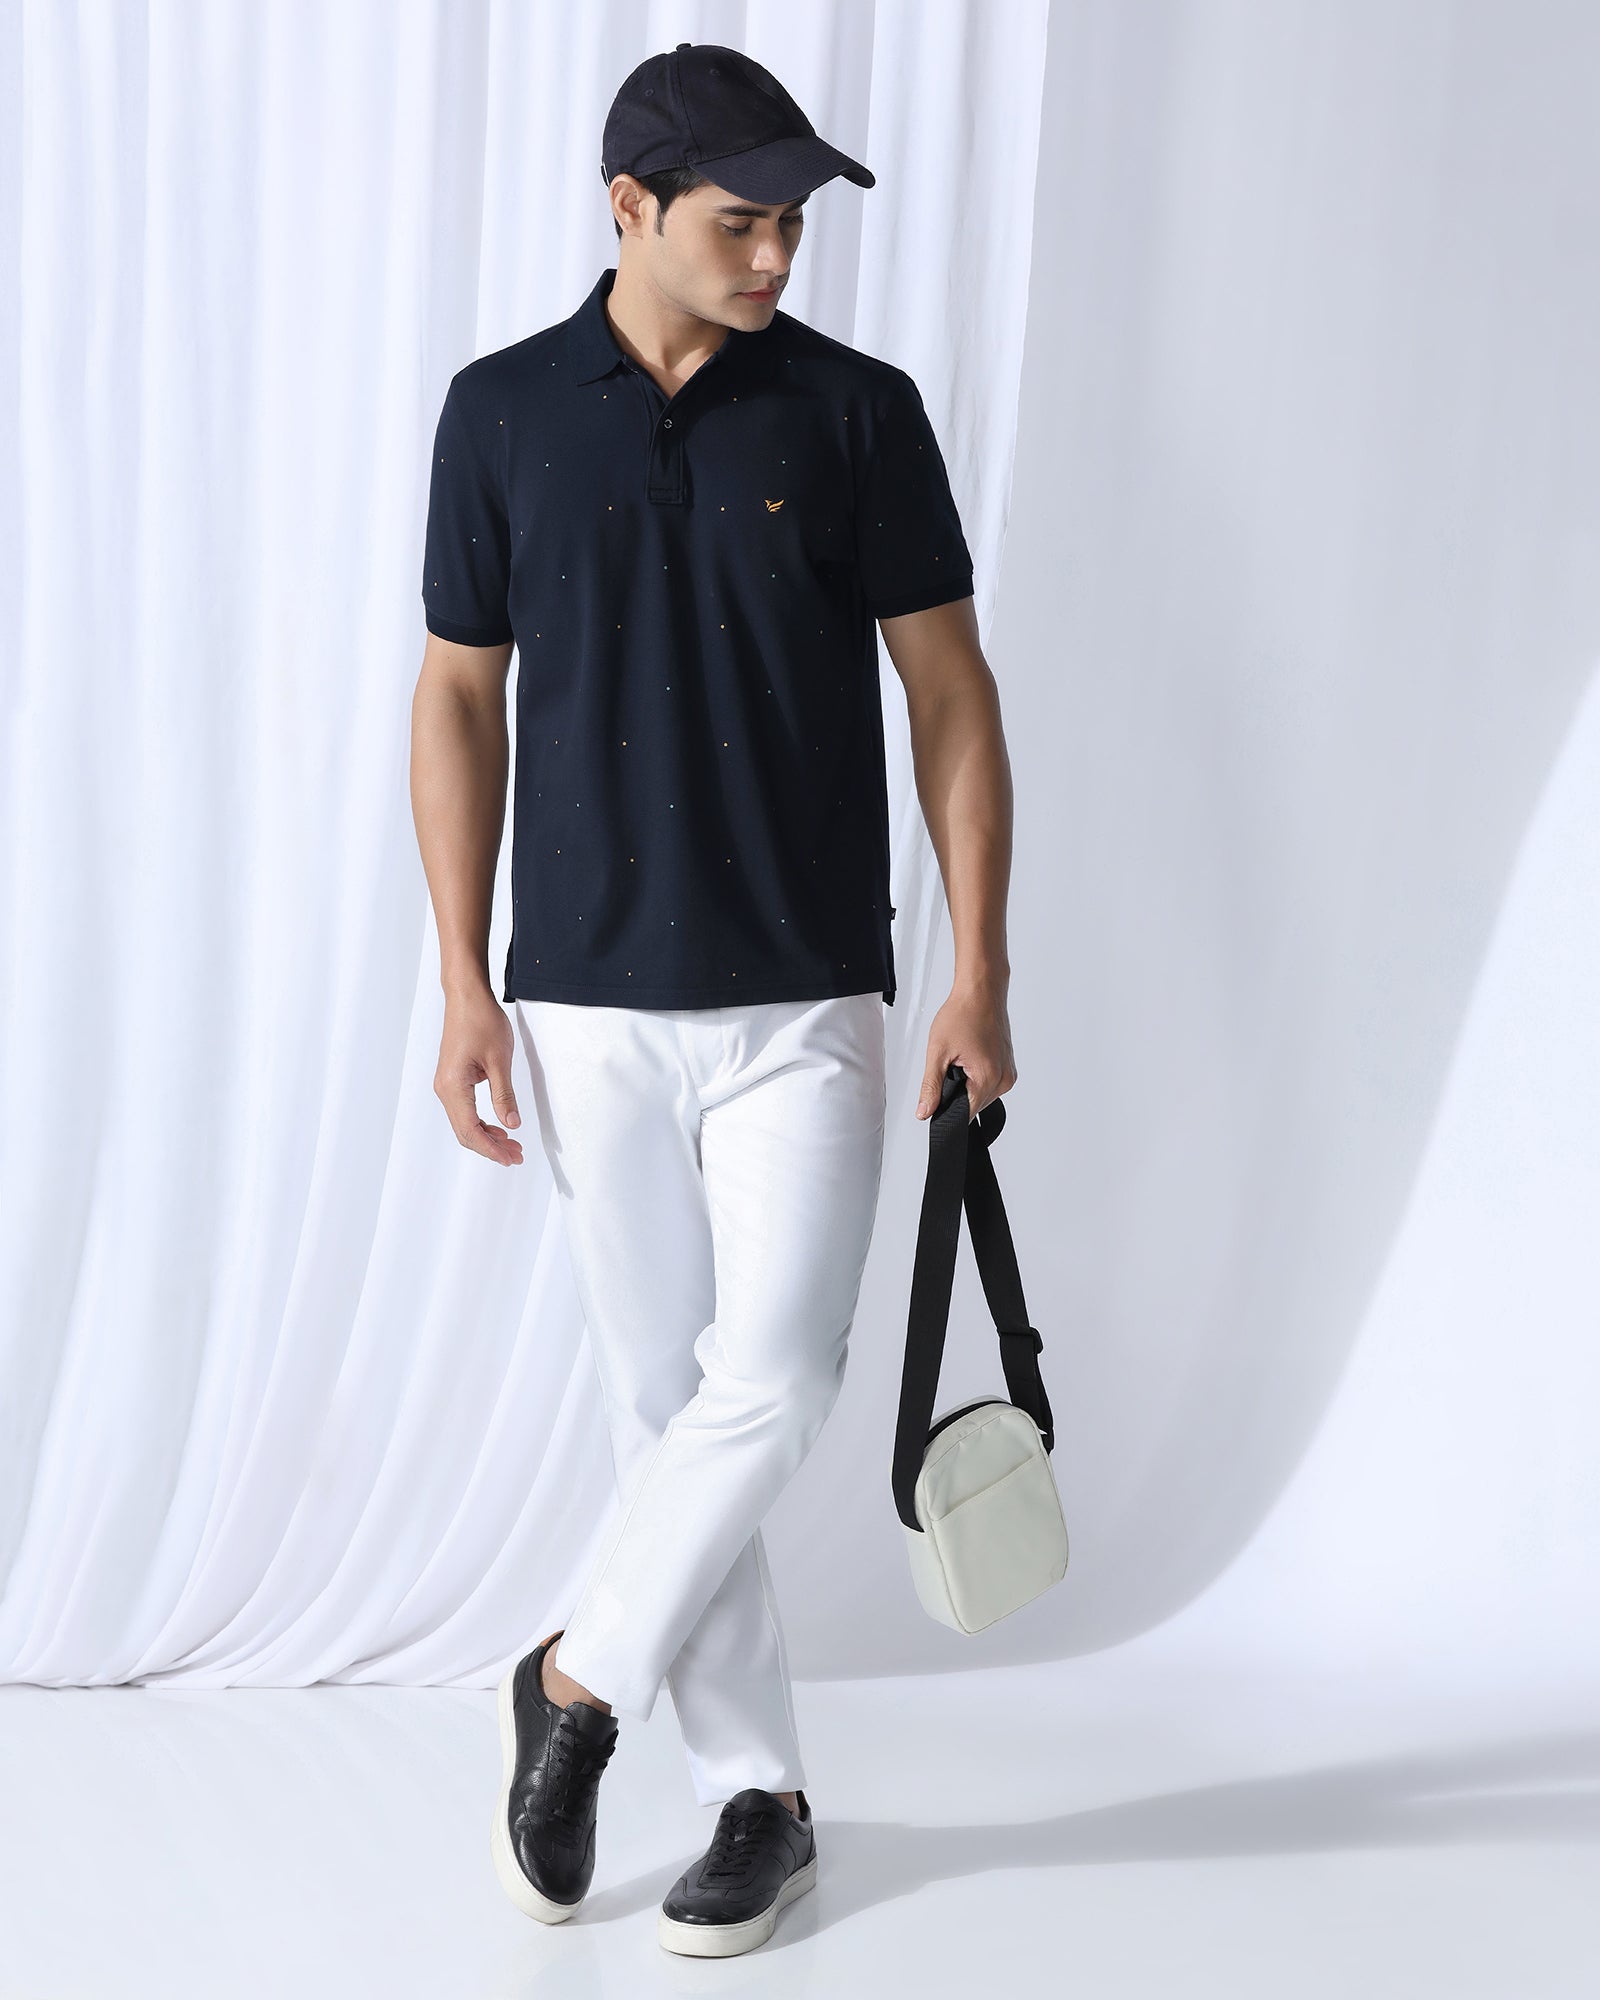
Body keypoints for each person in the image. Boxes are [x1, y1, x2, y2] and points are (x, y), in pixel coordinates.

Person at [410, 40, 1016, 1959]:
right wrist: (460, 979)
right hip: (582, 994)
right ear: (631, 208)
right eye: (741, 221)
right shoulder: (502, 413)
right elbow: (456, 695)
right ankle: (758, 1795)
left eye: (793, 226)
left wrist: (982, 965)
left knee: (781, 1377)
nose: (775, 256)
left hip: (809, 987)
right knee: (661, 1403)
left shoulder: (855, 413)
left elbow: (951, 693)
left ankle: (573, 1684)